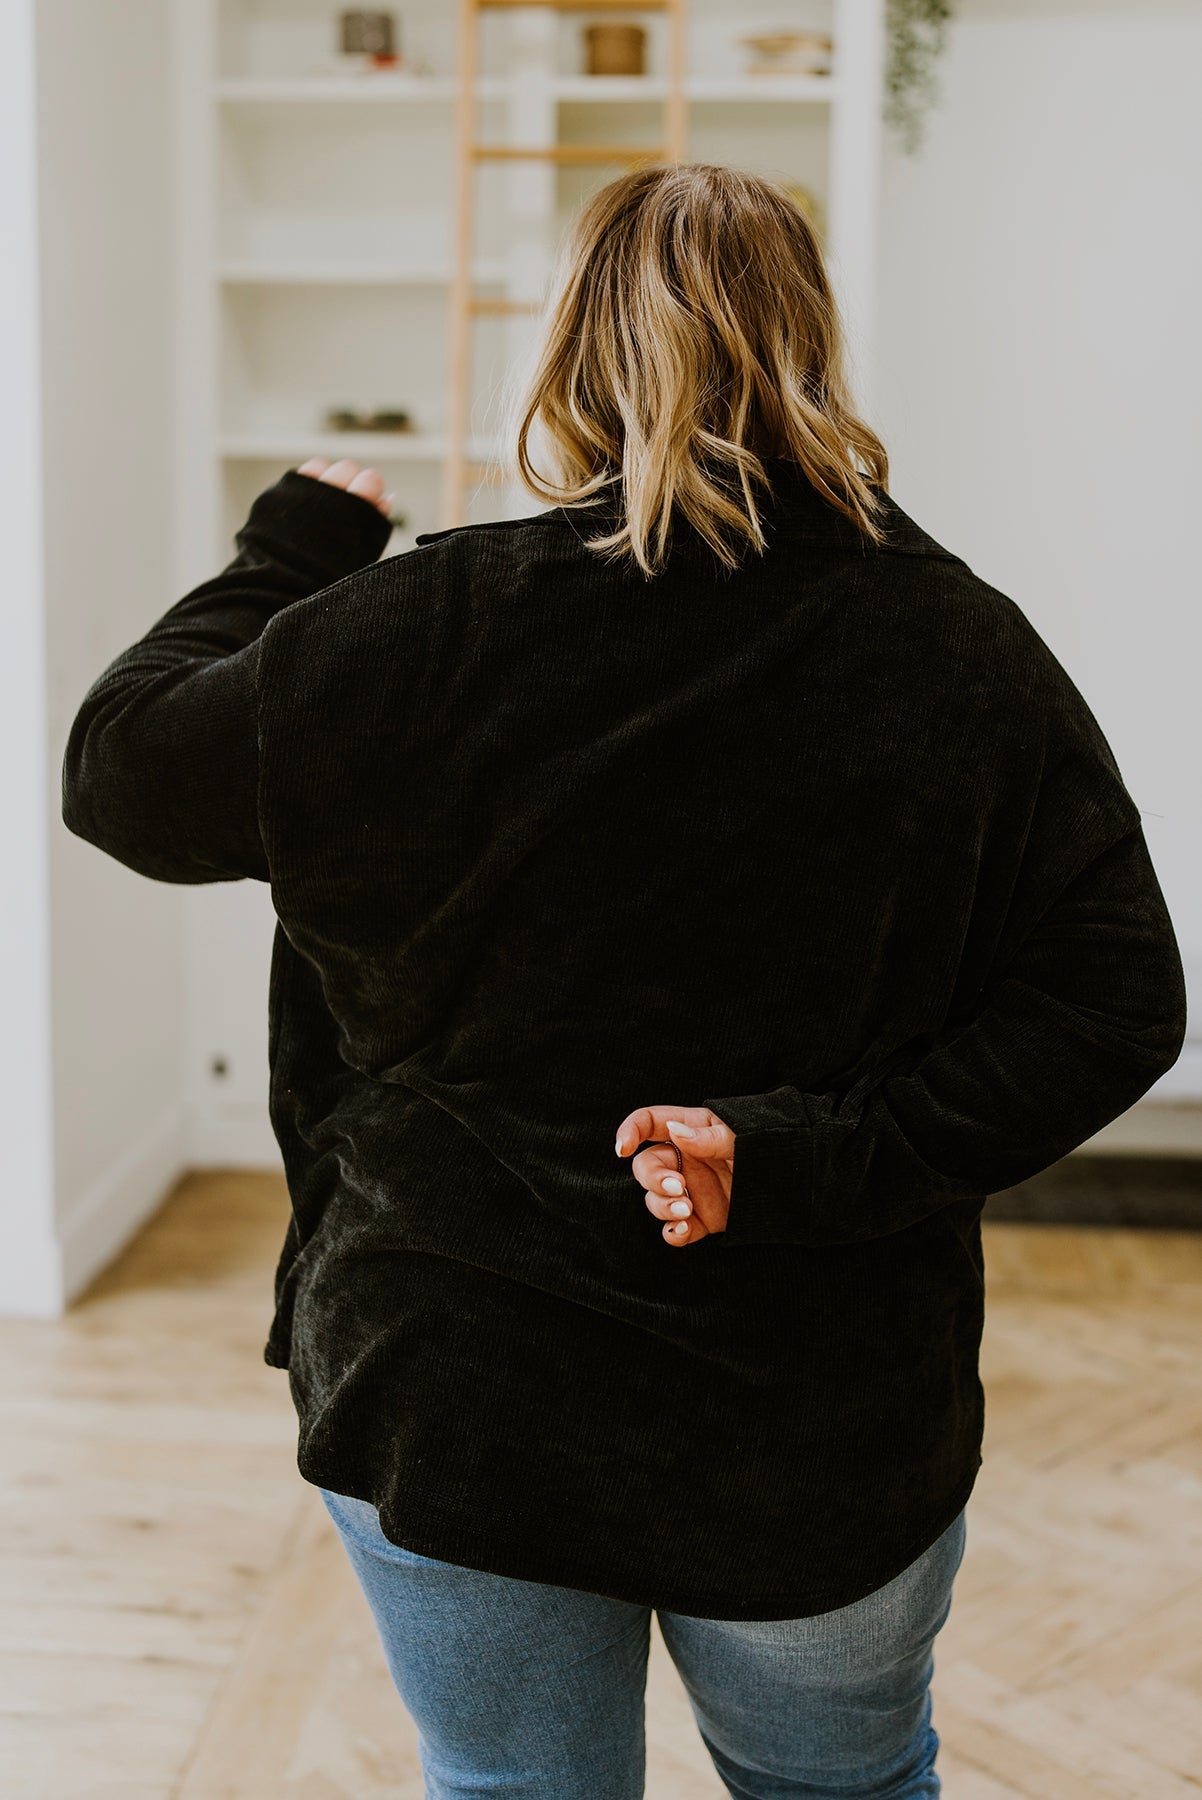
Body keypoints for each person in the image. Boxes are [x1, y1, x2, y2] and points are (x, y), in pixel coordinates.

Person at [61, 163, 1187, 1798]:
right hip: (818, 1408)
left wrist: (293, 540)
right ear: (810, 347)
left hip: (451, 1381)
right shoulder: (957, 650)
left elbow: (119, 767)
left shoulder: (406, 628)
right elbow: (1111, 1005)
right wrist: (802, 1159)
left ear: (570, 356)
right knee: (844, 1790)